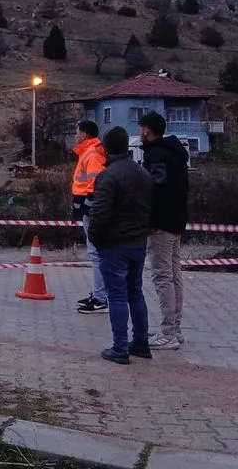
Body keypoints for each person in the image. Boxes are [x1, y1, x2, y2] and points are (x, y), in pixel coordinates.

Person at [89, 127, 153, 365]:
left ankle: (120, 346)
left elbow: (101, 213)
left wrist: (96, 237)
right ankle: (141, 342)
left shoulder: (107, 176)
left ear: (106, 148)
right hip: (138, 242)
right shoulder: (142, 173)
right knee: (136, 292)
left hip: (115, 244)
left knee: (117, 295)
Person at [138, 112, 189, 350]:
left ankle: (168, 332)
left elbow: (156, 189)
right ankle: (175, 329)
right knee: (173, 274)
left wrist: (149, 217)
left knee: (162, 276)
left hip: (161, 223)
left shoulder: (156, 155)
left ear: (147, 130)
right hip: (177, 220)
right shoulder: (176, 153)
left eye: (141, 129)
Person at [71, 120, 109, 315]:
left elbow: (95, 183)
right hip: (88, 207)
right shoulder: (89, 151)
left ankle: (101, 298)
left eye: (77, 132)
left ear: (84, 134)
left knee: (96, 255)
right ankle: (100, 294)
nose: (75, 135)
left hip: (91, 211)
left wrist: (85, 205)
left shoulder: (92, 153)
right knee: (97, 254)